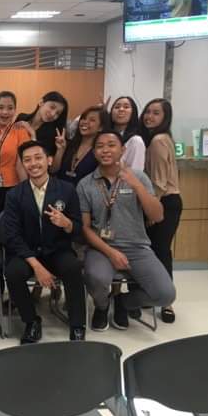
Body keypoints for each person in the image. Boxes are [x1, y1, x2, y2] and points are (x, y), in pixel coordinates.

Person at [77, 130, 176, 331]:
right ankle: (102, 306)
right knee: (96, 277)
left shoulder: (138, 177)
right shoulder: (85, 184)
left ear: (122, 150)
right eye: (100, 146)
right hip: (101, 247)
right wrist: (111, 252)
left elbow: (158, 216)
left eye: (111, 145)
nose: (105, 150)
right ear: (94, 153)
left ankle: (122, 302)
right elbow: (85, 228)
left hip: (137, 247)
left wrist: (137, 186)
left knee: (166, 294)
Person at [3, 140, 86, 343]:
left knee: (73, 267)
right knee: (13, 272)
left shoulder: (67, 190)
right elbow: (12, 235)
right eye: (27, 160)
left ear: (49, 160)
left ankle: (77, 324)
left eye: (38, 158)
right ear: (23, 164)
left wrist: (66, 224)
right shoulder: (14, 194)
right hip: (27, 252)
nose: (33, 164)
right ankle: (31, 322)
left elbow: (78, 229)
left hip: (57, 250)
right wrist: (37, 266)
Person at [139, 98, 183, 323]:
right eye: (148, 111)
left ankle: (167, 301)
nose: (149, 116)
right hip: (168, 200)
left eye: (156, 113)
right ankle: (157, 295)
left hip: (163, 202)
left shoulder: (157, 140)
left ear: (166, 117)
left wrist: (151, 211)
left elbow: (158, 182)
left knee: (160, 250)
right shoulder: (162, 138)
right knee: (158, 250)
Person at [0, 91, 31, 215]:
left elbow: (21, 164)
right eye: (1, 107)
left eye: (10, 108)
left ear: (15, 110)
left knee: (9, 221)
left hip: (13, 186)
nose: (5, 112)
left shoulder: (21, 131)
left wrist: (26, 190)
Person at [53, 105, 110, 186]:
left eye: (92, 120)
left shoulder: (101, 151)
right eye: (84, 118)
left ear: (100, 127)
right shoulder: (68, 144)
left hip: (83, 193)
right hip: (59, 190)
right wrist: (60, 150)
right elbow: (53, 170)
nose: (85, 122)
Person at [16, 91, 69, 156]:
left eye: (57, 113)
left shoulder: (51, 135)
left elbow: (38, 159)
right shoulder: (21, 117)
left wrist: (33, 134)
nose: (53, 114)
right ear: (41, 102)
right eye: (52, 107)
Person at [110, 96, 145, 170]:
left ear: (133, 113)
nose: (121, 109)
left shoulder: (136, 141)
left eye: (126, 107)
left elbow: (136, 173)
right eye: (117, 107)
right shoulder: (105, 136)